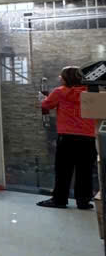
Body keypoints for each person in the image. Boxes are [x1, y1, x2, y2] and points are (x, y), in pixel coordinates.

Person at [37, 66, 97, 209]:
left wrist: (42, 98)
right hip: (88, 138)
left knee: (63, 170)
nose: (59, 78)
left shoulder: (60, 92)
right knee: (85, 171)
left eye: (61, 76)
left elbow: (46, 105)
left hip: (67, 138)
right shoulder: (89, 92)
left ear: (66, 78)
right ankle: (83, 201)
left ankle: (59, 200)